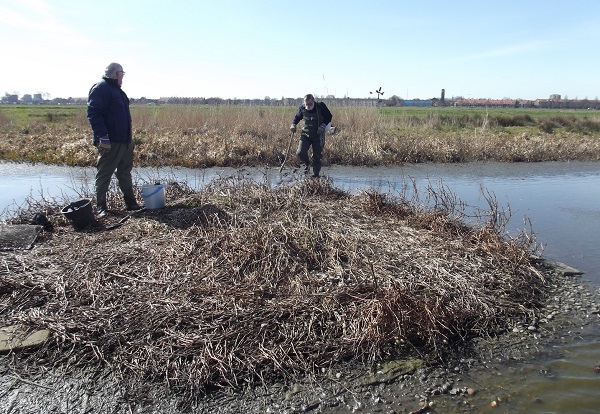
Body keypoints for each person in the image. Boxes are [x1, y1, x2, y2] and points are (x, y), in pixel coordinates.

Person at [87, 62, 142, 217]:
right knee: (105, 172)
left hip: (124, 140)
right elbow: (94, 114)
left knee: (125, 172)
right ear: (117, 74)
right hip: (110, 141)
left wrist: (129, 140)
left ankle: (131, 203)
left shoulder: (117, 91)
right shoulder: (101, 88)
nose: (123, 77)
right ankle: (101, 207)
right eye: (122, 74)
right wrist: (102, 137)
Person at [290, 94, 333, 178]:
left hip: (318, 135)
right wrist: (293, 124)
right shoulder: (302, 108)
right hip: (305, 134)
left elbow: (329, 116)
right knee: (300, 153)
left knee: (317, 156)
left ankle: (316, 175)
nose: (308, 106)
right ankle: (307, 163)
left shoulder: (320, 106)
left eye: (310, 104)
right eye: (306, 104)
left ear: (313, 101)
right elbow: (297, 117)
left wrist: (323, 126)